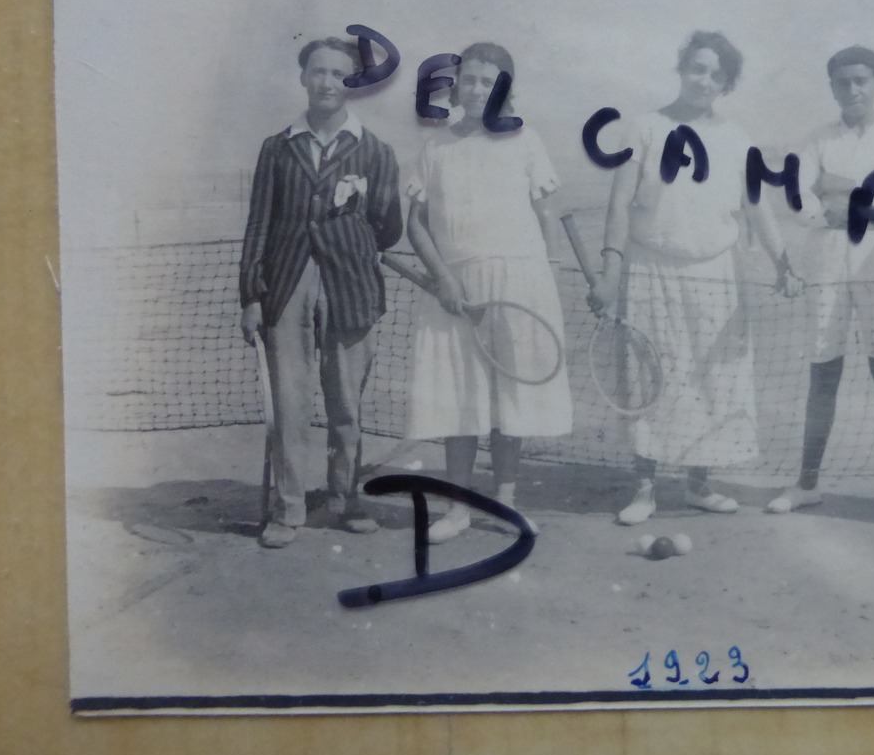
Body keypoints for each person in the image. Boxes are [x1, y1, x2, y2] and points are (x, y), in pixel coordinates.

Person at [590, 31, 802, 525]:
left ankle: (698, 485)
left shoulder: (736, 139)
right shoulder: (644, 128)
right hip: (650, 271)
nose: (703, 80)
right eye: (697, 69)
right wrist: (609, 271)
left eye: (715, 74)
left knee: (712, 377)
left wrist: (783, 264)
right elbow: (620, 203)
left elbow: (758, 208)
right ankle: (644, 489)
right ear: (682, 69)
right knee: (650, 375)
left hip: (717, 274)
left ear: (726, 83)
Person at [766, 46, 874, 516]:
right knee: (823, 372)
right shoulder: (816, 140)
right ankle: (806, 484)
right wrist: (836, 205)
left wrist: (846, 199)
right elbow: (797, 197)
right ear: (832, 88)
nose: (853, 90)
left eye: (862, 80)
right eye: (843, 82)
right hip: (827, 263)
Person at [403, 43, 573, 543]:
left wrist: (544, 280)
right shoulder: (434, 148)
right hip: (456, 287)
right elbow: (417, 225)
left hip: (520, 284)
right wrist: (444, 279)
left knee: (510, 398)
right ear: (455, 86)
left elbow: (547, 217)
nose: (478, 89)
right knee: (459, 399)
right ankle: (456, 509)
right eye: (469, 80)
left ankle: (506, 504)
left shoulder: (526, 141)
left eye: (488, 80)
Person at [240, 36, 404, 548]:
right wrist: (250, 296)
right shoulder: (277, 148)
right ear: (303, 79)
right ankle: (287, 510)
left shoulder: (376, 151)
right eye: (318, 72)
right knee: (288, 403)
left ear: (352, 82)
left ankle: (345, 499)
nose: (328, 82)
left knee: (346, 404)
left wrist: (348, 246)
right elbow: (259, 226)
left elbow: (387, 225)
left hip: (350, 285)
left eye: (339, 73)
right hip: (286, 284)